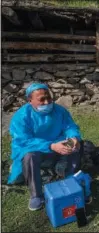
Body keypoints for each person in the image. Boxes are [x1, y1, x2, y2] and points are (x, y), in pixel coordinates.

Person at [8, 83, 83, 211]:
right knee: (29, 157)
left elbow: (70, 126)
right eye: (41, 99)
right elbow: (24, 141)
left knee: (76, 145)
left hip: (58, 143)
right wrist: (51, 146)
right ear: (30, 100)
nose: (47, 102)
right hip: (37, 148)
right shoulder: (21, 117)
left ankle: (69, 175)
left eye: (48, 97)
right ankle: (36, 195)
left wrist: (73, 137)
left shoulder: (59, 110)